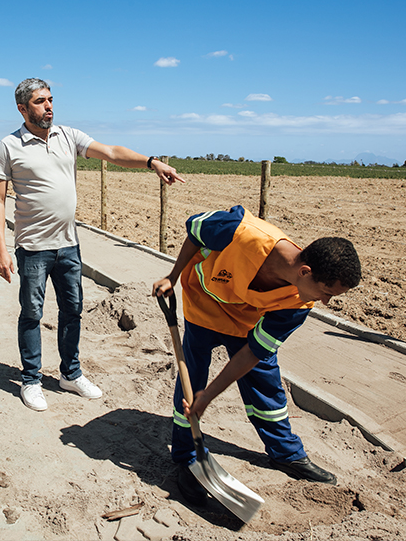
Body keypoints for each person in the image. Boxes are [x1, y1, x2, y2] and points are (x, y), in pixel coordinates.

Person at [0, 78, 184, 412]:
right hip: (33, 247)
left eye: (50, 99)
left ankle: (70, 374)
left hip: (69, 245)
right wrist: (1, 249)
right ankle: (32, 380)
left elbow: (110, 152)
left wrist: (152, 162)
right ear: (22, 108)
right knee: (33, 313)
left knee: (73, 311)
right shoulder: (9, 146)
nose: (49, 106)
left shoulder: (68, 136)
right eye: (40, 101)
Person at [152, 205, 361, 503]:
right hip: (204, 305)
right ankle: (186, 454)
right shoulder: (239, 231)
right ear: (305, 272)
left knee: (265, 383)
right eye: (326, 292)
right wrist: (173, 275)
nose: (325, 301)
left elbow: (253, 352)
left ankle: (285, 454)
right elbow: (195, 233)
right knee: (192, 379)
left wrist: (209, 396)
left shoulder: (299, 304)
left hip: (245, 320)